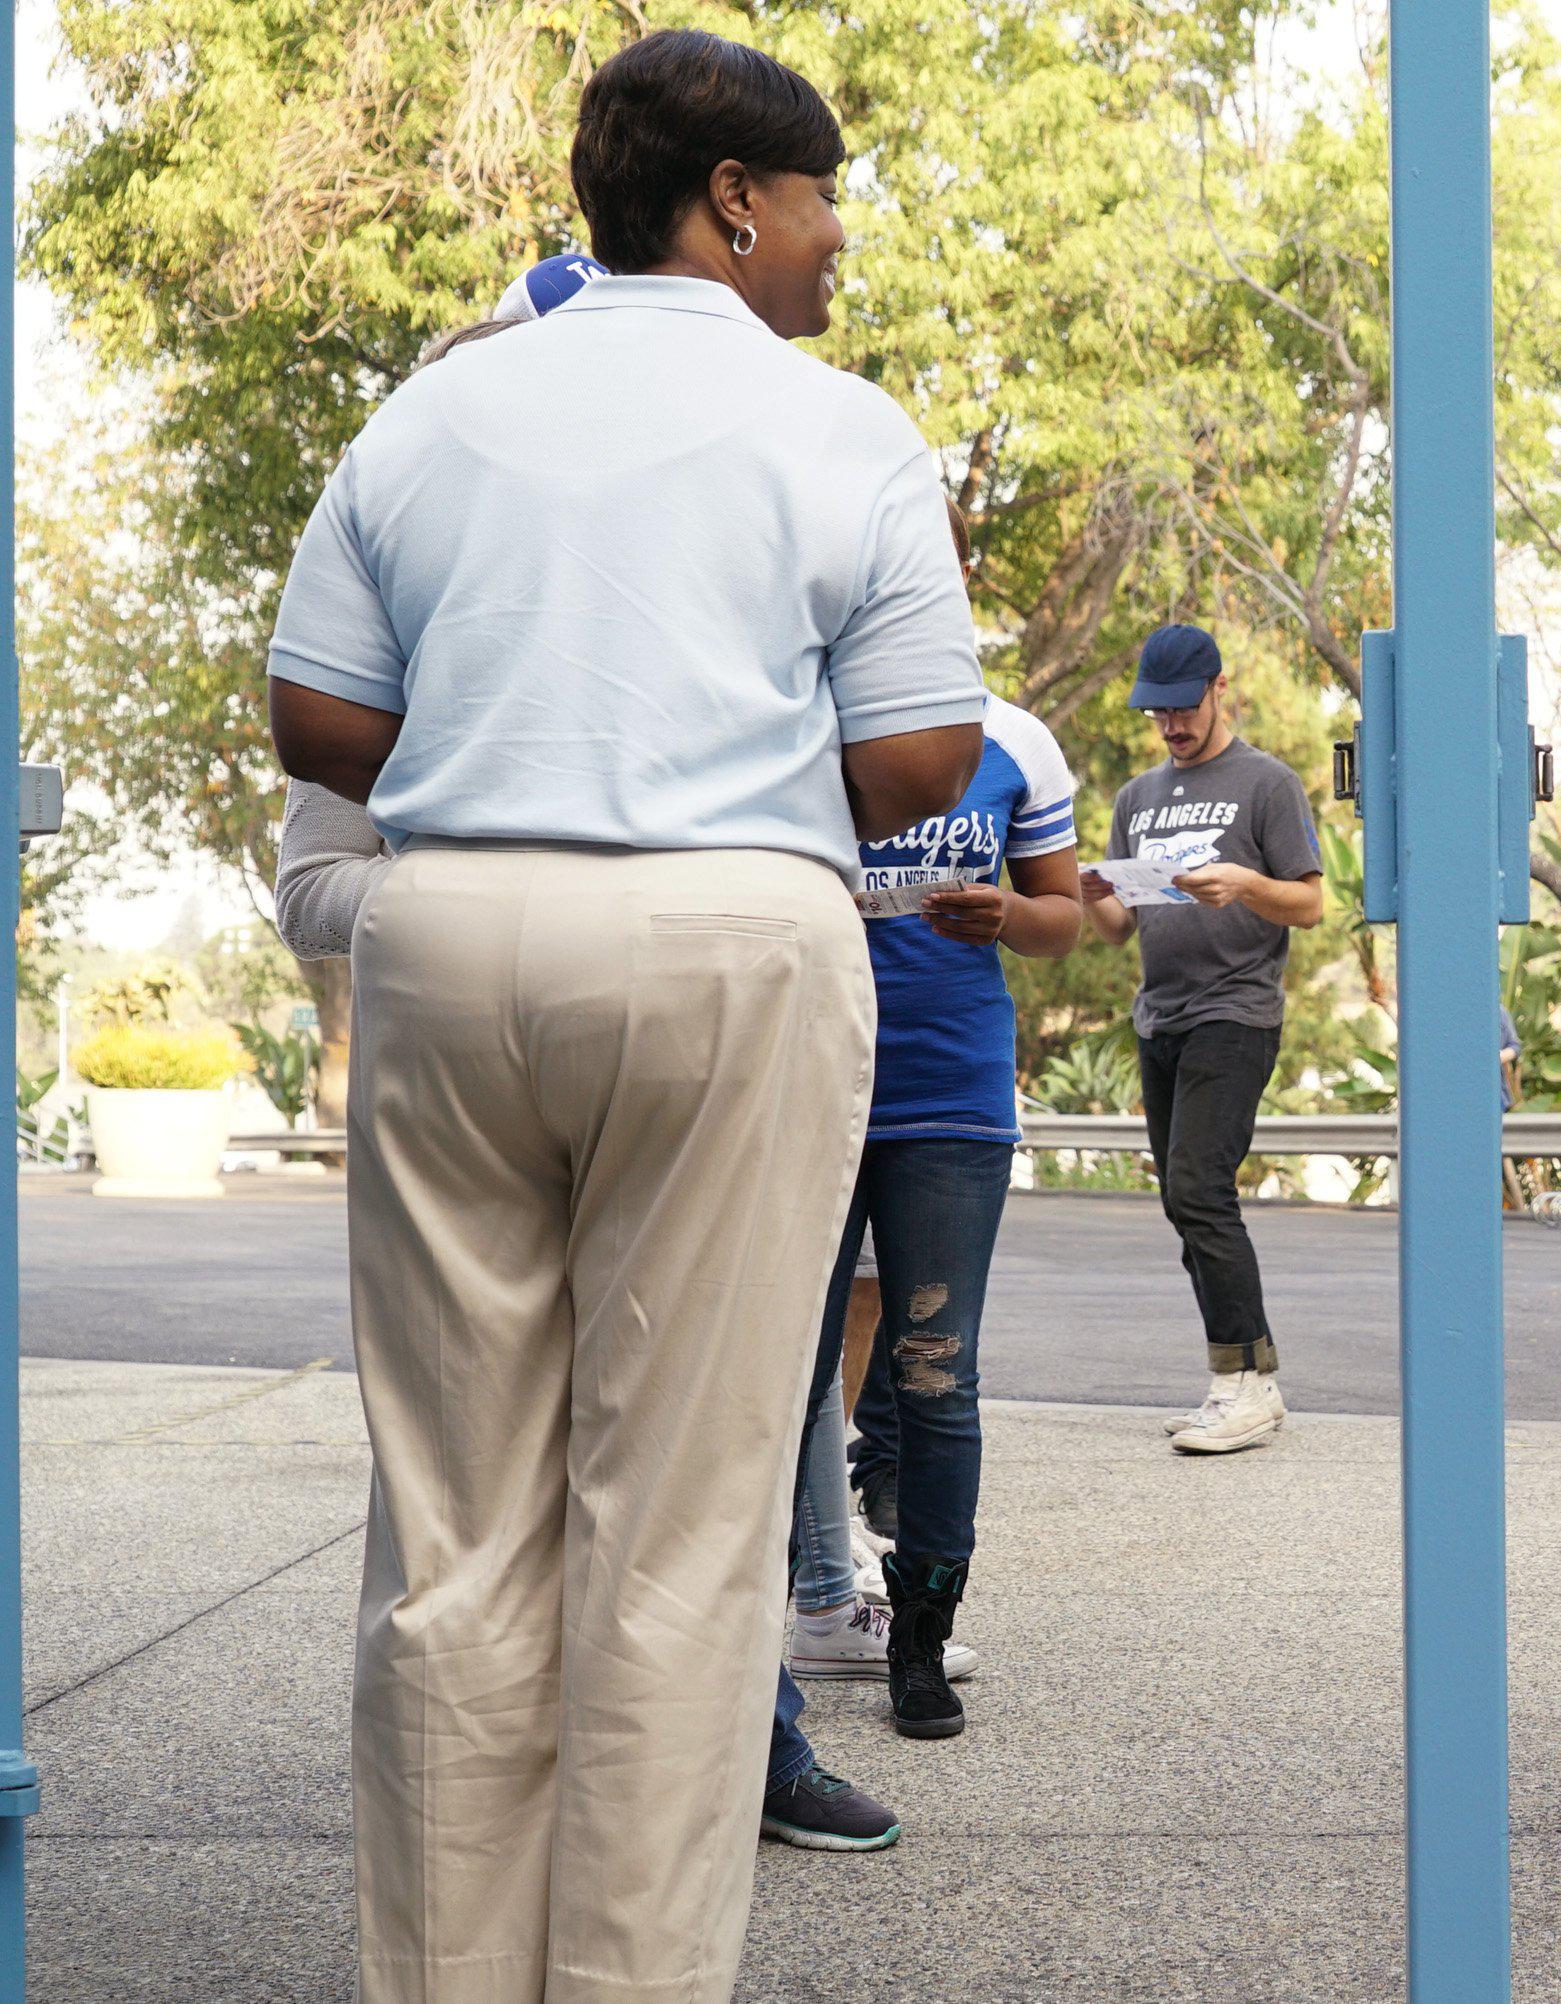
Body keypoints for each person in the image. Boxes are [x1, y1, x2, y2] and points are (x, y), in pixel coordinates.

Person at [264, 32, 989, 1995]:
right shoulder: (838, 430)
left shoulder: (432, 417)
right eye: (825, 195)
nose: (838, 239)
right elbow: (925, 752)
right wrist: (716, 764)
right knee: (676, 1539)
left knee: (452, 1532)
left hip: (455, 939)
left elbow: (314, 720)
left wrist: (519, 736)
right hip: (727, 945)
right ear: (734, 197)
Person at [778, 668, 1083, 1748]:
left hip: (950, 1095)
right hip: (800, 1081)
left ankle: (918, 1639)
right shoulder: (796, 719)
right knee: (778, 1370)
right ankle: (765, 1636)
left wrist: (1010, 913)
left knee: (935, 1372)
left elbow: (1063, 918)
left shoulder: (1014, 742)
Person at [1078, 624, 1325, 1455]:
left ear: (1220, 689)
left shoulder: (1267, 783)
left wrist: (1247, 883)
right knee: (1183, 1201)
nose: (1171, 725)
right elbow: (1116, 927)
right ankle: (1242, 1377)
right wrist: (1085, 888)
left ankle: (1246, 1384)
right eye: (1159, 711)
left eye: (1184, 707)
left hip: (1237, 1012)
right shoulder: (1136, 798)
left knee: (1197, 1186)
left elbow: (1310, 903)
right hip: (1162, 1017)